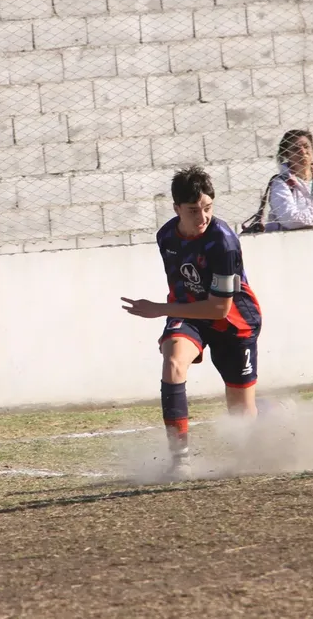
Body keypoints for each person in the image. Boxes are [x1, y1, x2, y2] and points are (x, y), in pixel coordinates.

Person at [122, 166, 263, 479]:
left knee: (242, 417)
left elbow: (219, 309)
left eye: (208, 208)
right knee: (173, 363)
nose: (202, 217)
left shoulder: (223, 242)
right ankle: (180, 459)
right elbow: (183, 284)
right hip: (189, 312)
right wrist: (171, 312)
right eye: (193, 210)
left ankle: (271, 413)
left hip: (234, 320)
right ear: (176, 209)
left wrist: (159, 308)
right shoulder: (166, 237)